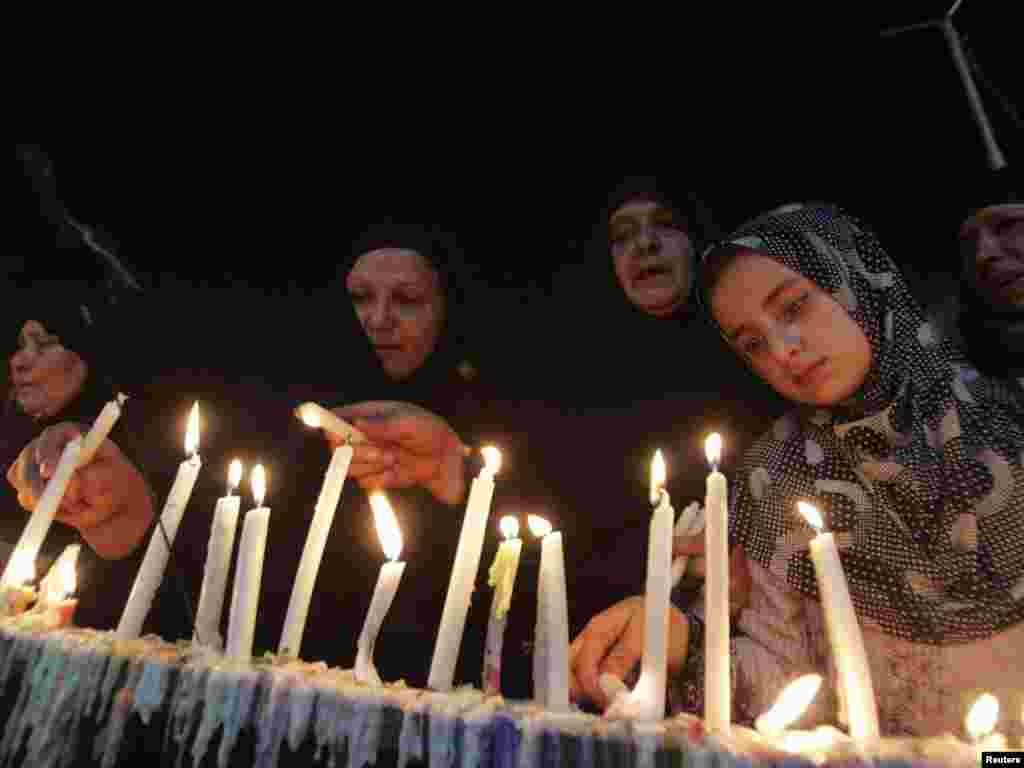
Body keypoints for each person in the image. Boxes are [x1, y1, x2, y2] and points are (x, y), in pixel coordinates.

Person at [570, 203, 1024, 737]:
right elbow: (792, 685)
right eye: (753, 344)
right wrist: (688, 650)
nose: (782, 352)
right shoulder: (774, 478)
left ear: (857, 276)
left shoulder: (1009, 421)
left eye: (793, 307)